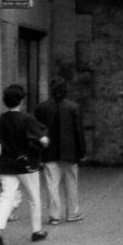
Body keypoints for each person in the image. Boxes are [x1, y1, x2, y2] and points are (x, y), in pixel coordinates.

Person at [0, 83, 50, 245]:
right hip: (26, 164)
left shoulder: (2, 118)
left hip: (7, 163)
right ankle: (36, 230)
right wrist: (44, 141)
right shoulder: (27, 118)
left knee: (6, 198)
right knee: (33, 197)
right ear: (21, 100)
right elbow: (42, 139)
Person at [36, 78, 86, 224]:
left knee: (52, 184)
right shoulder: (73, 107)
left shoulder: (41, 108)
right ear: (65, 91)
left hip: (49, 151)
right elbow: (78, 132)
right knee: (71, 183)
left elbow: (38, 130)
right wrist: (82, 151)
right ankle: (72, 213)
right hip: (70, 152)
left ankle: (54, 215)